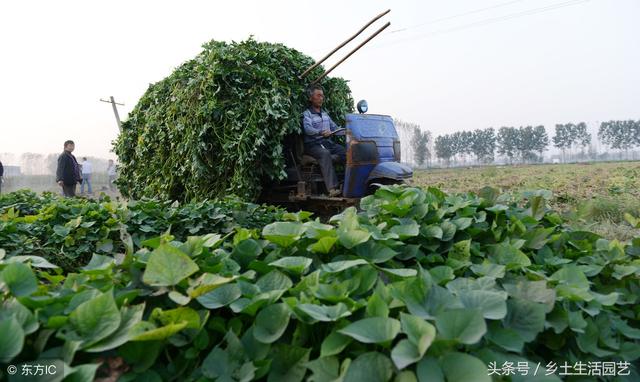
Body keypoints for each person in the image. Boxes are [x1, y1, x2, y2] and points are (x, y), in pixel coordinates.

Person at [302, 85, 346, 197]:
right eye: (318, 95)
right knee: (325, 154)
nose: (321, 98)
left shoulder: (325, 114)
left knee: (345, 152)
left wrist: (347, 131)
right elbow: (308, 129)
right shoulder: (307, 114)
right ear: (311, 98)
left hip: (327, 144)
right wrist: (321, 132)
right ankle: (332, 188)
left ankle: (346, 183)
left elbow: (335, 128)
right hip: (313, 145)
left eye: (322, 96)